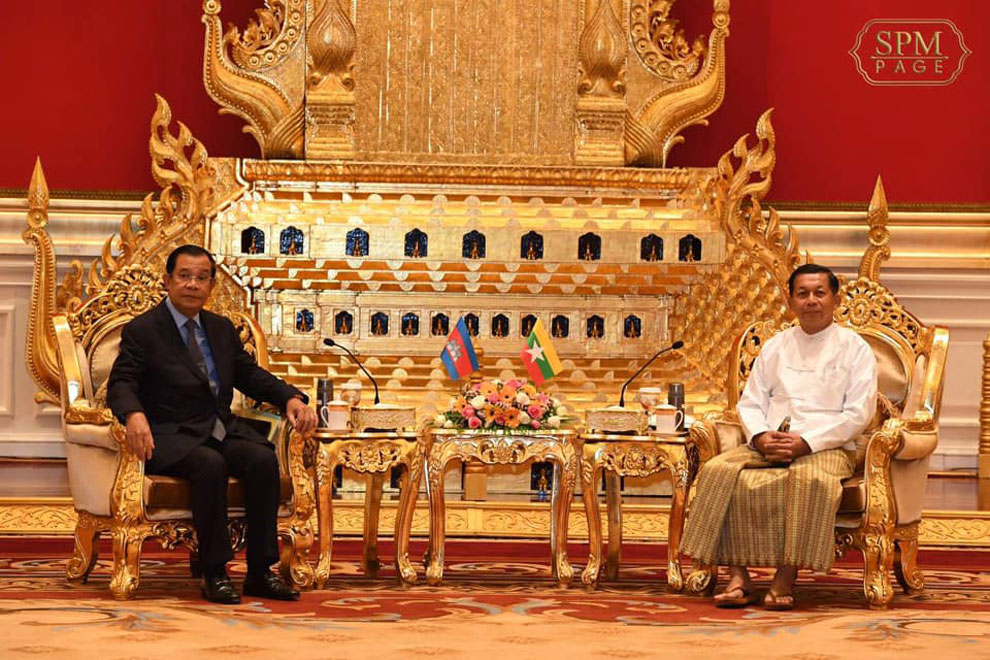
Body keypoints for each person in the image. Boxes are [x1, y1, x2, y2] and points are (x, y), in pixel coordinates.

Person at [107, 245, 318, 604]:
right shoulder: (144, 330)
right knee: (210, 464)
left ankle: (259, 572)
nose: (193, 284)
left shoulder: (220, 329)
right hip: (170, 435)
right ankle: (215, 571)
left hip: (218, 429)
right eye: (184, 276)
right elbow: (121, 382)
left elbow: (250, 376)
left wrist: (290, 398)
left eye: (201, 278)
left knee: (262, 459)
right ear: (168, 281)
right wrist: (133, 415)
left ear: (211, 285)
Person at [681, 264, 877, 610]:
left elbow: (858, 414)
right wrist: (759, 437)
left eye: (820, 293)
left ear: (836, 299)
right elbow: (751, 402)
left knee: (810, 481)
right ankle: (738, 578)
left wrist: (807, 443)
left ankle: (785, 577)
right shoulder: (775, 346)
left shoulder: (855, 349)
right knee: (716, 472)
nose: (811, 301)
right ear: (790, 301)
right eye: (803, 294)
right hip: (770, 442)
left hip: (827, 446)